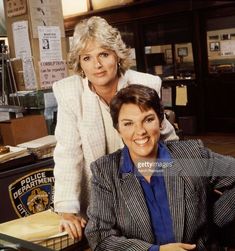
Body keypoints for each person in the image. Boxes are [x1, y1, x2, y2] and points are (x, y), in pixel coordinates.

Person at [52, 16, 178, 240]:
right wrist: (67, 209)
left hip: (146, 187)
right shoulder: (70, 92)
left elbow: (168, 140)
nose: (97, 65)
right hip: (97, 199)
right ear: (79, 64)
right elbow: (67, 153)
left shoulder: (145, 84)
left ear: (117, 56)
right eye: (87, 58)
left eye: (104, 54)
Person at [85, 84, 235, 251]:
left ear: (161, 122)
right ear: (118, 129)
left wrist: (211, 226)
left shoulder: (190, 156)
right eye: (128, 124)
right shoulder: (105, 171)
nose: (140, 131)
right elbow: (100, 236)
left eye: (148, 120)